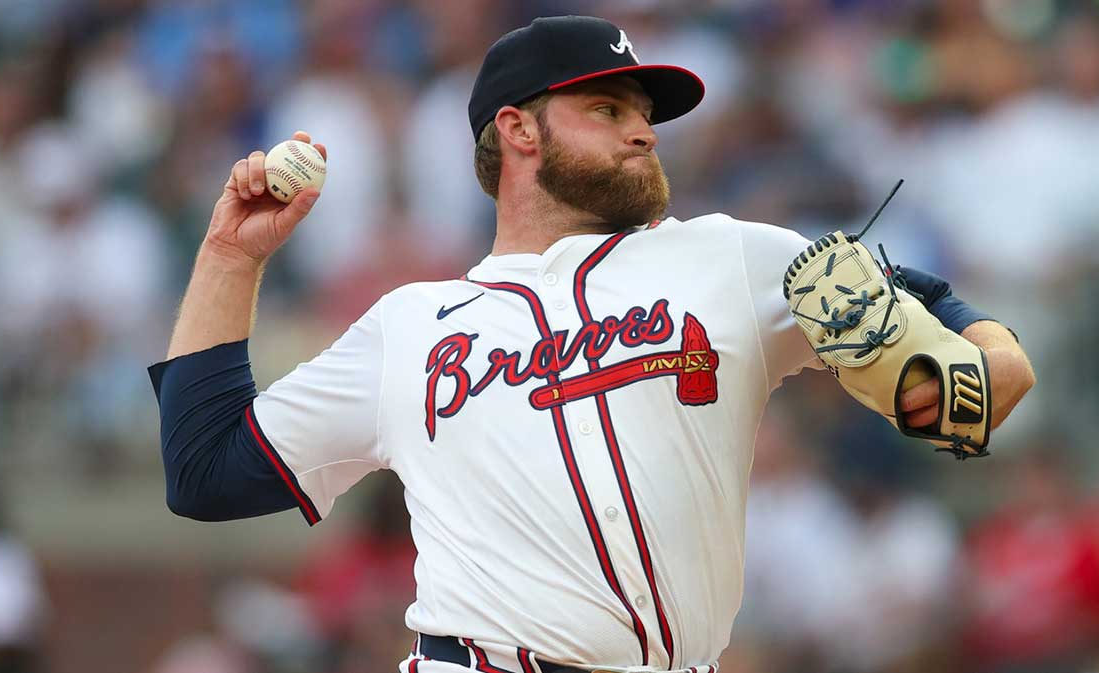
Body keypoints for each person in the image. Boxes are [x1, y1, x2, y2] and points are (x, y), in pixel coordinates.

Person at [149, 16, 1035, 673]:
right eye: (608, 108)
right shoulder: (411, 325)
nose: (643, 130)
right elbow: (205, 472)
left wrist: (972, 371)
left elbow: (966, 355)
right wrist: (231, 257)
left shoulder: (730, 255)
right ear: (518, 128)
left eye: (644, 112)